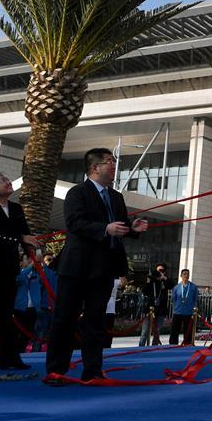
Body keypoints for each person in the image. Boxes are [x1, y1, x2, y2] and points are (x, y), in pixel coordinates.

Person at [44, 148, 148, 385]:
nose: (114, 165)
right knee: (65, 319)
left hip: (104, 267)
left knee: (96, 321)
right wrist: (105, 229)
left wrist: (133, 228)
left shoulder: (116, 197)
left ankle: (92, 371)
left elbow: (119, 225)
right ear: (94, 167)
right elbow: (75, 223)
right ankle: (56, 370)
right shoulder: (77, 192)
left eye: (114, 161)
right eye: (109, 161)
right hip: (77, 266)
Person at [0, 172, 40, 372]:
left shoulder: (17, 208)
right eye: (3, 180)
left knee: (5, 316)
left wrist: (32, 243)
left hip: (8, 271)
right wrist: (20, 238)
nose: (8, 182)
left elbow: (24, 232)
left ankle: (8, 359)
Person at [140, 262, 174, 346]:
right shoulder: (152, 281)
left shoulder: (165, 282)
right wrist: (149, 281)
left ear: (165, 271)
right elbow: (144, 291)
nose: (159, 272)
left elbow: (172, 285)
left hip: (161, 310)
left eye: (162, 270)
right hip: (149, 309)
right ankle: (140, 348)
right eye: (158, 271)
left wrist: (164, 277)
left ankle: (154, 348)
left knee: (157, 332)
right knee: (144, 332)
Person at [13, 253, 41, 353]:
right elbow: (20, 278)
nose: (30, 261)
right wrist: (31, 265)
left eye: (31, 259)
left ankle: (22, 351)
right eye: (27, 259)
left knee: (29, 333)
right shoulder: (19, 274)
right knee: (18, 332)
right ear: (21, 263)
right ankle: (17, 352)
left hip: (33, 309)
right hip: (20, 309)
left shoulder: (36, 275)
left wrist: (40, 261)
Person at [35, 252, 58, 351]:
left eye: (52, 260)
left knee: (54, 334)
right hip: (43, 308)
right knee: (39, 334)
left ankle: (54, 354)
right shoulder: (41, 274)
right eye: (48, 260)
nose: (51, 262)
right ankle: (34, 354)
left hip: (55, 308)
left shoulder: (57, 273)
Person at [169, 269, 198, 345]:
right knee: (175, 330)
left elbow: (195, 299)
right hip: (177, 311)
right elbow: (174, 299)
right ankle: (173, 344)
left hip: (188, 312)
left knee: (188, 330)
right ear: (181, 275)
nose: (186, 275)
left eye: (187, 274)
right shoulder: (176, 287)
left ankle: (188, 344)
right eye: (184, 274)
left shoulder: (193, 287)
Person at [103, 276, 127, 348]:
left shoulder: (114, 280)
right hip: (106, 310)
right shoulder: (115, 281)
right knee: (106, 331)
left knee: (107, 332)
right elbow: (123, 282)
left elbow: (123, 283)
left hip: (108, 310)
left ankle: (106, 346)